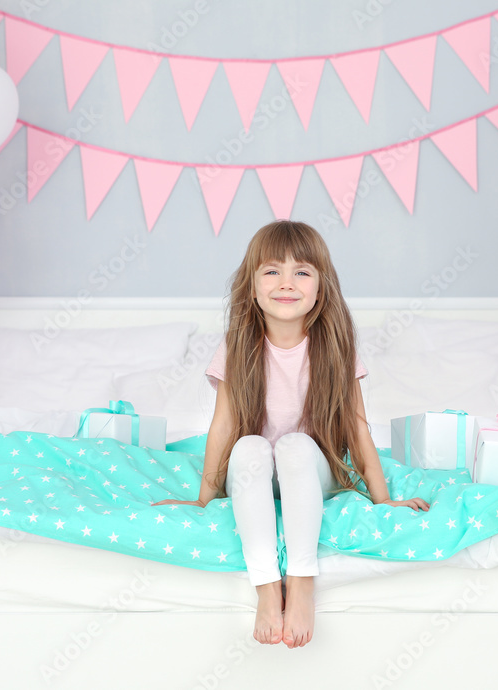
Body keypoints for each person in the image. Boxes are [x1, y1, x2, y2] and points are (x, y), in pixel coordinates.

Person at [154, 220, 429, 649]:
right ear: (252, 286)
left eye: (301, 271)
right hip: (253, 470)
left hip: (310, 468)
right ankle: (267, 586)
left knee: (296, 445)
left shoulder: (335, 346)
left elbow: (357, 428)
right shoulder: (237, 344)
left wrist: (384, 499)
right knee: (249, 445)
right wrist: (204, 499)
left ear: (321, 287)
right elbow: (223, 426)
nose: (287, 282)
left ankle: (300, 583)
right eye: (271, 271)